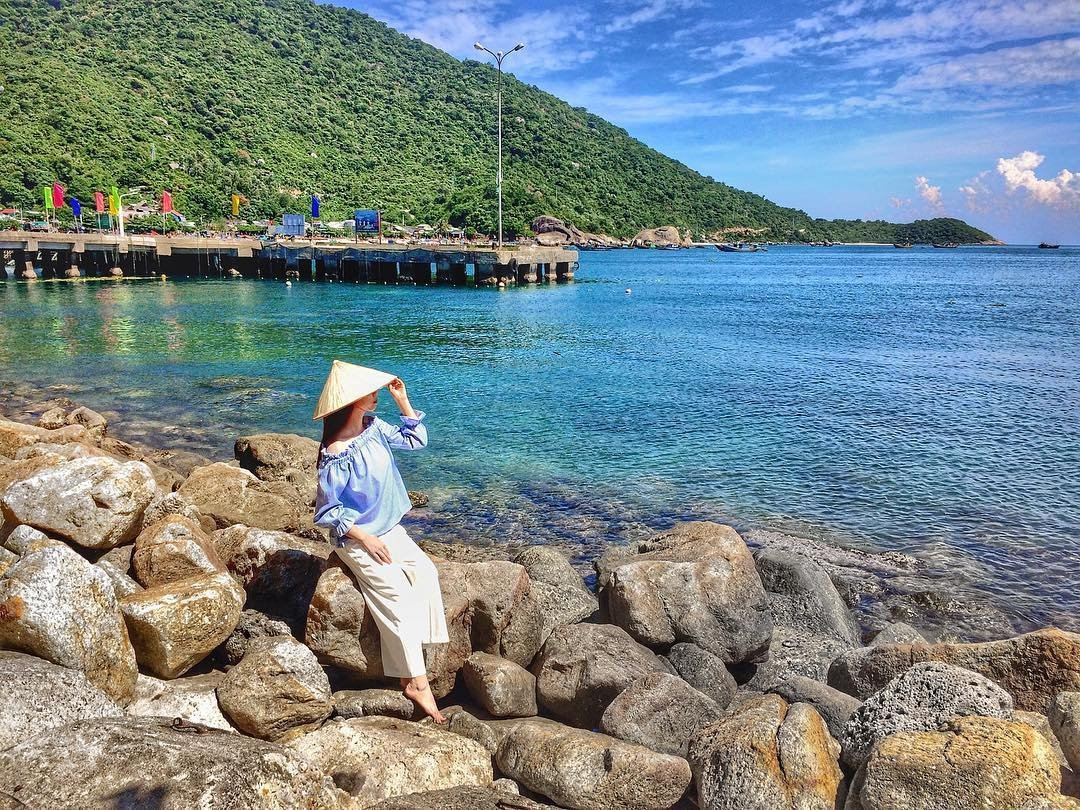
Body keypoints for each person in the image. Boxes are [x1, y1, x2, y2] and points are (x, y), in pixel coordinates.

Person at [312, 360, 449, 723]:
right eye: (371, 391)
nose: (376, 395)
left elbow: (416, 441)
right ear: (354, 400)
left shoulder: (373, 428)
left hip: (391, 528)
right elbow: (327, 512)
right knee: (396, 596)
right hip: (358, 537)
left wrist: (403, 402)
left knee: (426, 573)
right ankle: (414, 680)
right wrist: (365, 538)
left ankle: (416, 655)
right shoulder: (335, 454)